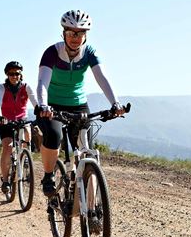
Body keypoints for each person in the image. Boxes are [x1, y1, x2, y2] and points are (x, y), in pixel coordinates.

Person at [36, 10, 125, 196]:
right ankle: (48, 175)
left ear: (86, 35)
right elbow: (42, 83)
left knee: (87, 151)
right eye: (71, 33)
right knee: (53, 136)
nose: (75, 38)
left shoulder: (89, 52)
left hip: (78, 104)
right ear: (64, 33)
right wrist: (43, 105)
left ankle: (92, 210)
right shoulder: (52, 52)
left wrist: (115, 103)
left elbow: (102, 78)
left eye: (80, 33)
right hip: (52, 106)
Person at [0, 61, 38, 194]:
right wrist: (0, 116)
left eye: (17, 74)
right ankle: (6, 180)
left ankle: (26, 159)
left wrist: (40, 111)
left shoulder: (26, 87)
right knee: (7, 147)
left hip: (21, 119)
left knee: (27, 134)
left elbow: (35, 102)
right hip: (5, 121)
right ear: (7, 75)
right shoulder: (2, 88)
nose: (14, 76)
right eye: (11, 74)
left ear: (21, 75)